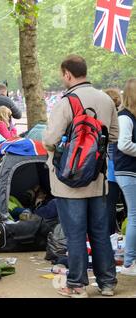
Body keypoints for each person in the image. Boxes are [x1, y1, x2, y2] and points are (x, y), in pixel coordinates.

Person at [43, 54, 118, 297]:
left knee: (75, 234)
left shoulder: (66, 102)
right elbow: (114, 135)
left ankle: (76, 285)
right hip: (97, 179)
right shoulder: (106, 99)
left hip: (68, 181)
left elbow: (49, 140)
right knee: (99, 232)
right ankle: (107, 283)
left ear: (67, 74)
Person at [115, 78, 136, 276]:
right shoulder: (125, 117)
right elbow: (124, 145)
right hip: (127, 171)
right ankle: (130, 262)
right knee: (134, 216)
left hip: (130, 171)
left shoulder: (130, 117)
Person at [104, 88, 124, 235]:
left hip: (110, 169)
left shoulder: (106, 120)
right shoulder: (124, 117)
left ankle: (110, 234)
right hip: (125, 167)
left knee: (109, 204)